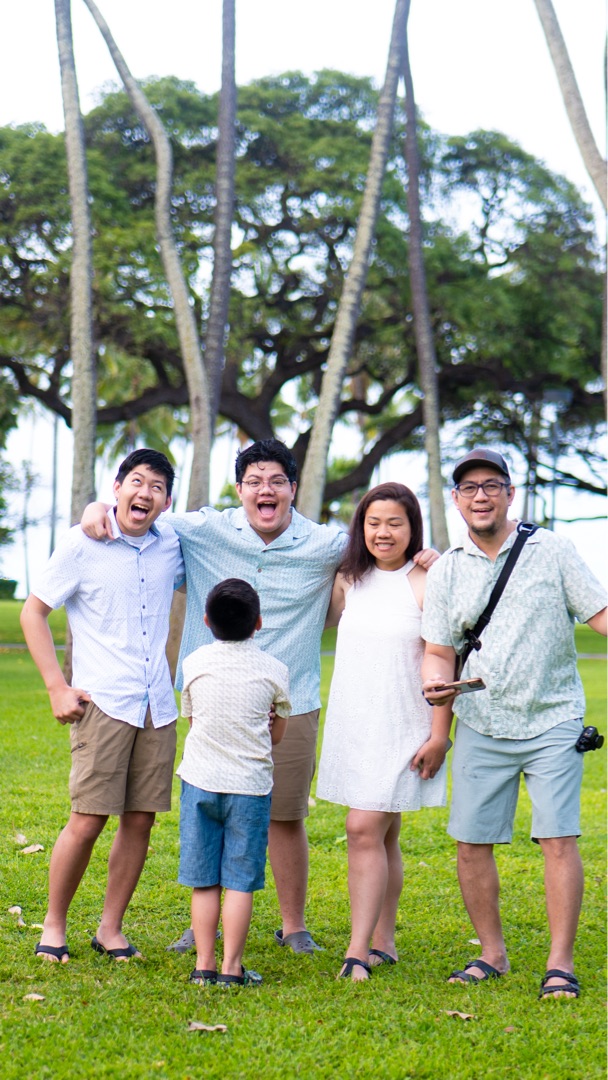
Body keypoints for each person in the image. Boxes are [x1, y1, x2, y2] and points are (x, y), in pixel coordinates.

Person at [82, 438, 438, 955]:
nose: (265, 491)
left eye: (276, 482)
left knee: (286, 815)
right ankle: (204, 924)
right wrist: (98, 507)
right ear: (240, 489)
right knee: (216, 805)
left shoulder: (325, 545)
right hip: (215, 703)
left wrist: (424, 555)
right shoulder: (202, 531)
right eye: (254, 482)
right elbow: (142, 515)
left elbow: (382, 548)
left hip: (292, 702)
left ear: (292, 489)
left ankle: (294, 925)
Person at [421, 448, 607, 1000]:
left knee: (557, 838)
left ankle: (560, 963)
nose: (480, 495)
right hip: (479, 720)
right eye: (469, 487)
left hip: (553, 717)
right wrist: (436, 684)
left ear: (509, 493)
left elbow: (600, 615)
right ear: (456, 500)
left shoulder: (552, 549)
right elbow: (439, 649)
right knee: (472, 843)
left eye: (491, 485)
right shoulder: (449, 568)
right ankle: (492, 953)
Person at [20, 449, 185, 963]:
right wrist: (56, 687)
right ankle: (53, 924)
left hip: (156, 704)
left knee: (140, 821)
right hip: (103, 702)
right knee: (87, 819)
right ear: (117, 487)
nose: (145, 493)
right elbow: (33, 612)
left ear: (167, 500)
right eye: (136, 482)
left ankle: (110, 929)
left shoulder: (172, 544)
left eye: (156, 487)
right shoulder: (81, 543)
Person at [316, 483, 452, 981]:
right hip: (356, 721)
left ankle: (357, 950)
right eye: (374, 522)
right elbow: (312, 622)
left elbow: (444, 658)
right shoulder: (350, 579)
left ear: (412, 526)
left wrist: (440, 734)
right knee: (384, 832)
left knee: (361, 828)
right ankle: (384, 940)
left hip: (404, 723)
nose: (383, 532)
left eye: (395, 522)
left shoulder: (427, 580)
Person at [178, 578, 290, 986]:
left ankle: (204, 965)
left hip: (201, 781)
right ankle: (231, 969)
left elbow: (193, 720)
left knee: (204, 879)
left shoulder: (193, 664)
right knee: (240, 883)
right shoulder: (275, 670)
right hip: (250, 787)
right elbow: (276, 735)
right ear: (258, 622)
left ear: (206, 621)